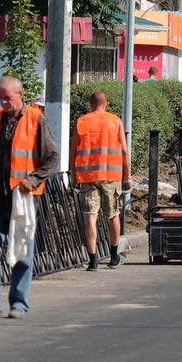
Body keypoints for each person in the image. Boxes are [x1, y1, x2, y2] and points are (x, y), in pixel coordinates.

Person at [0, 75, 59, 319]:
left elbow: (52, 158)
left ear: (20, 94)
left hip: (22, 198)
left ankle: (19, 304)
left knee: (22, 249)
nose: (3, 103)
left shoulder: (36, 119)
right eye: (0, 98)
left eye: (7, 98)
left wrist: (32, 180)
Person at [71, 91, 132, 271]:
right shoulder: (115, 121)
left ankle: (93, 261)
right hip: (110, 177)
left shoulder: (82, 121)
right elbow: (124, 152)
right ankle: (114, 256)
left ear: (91, 104)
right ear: (106, 104)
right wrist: (127, 176)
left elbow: (73, 150)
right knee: (113, 215)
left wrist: (74, 175)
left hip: (87, 177)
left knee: (91, 216)